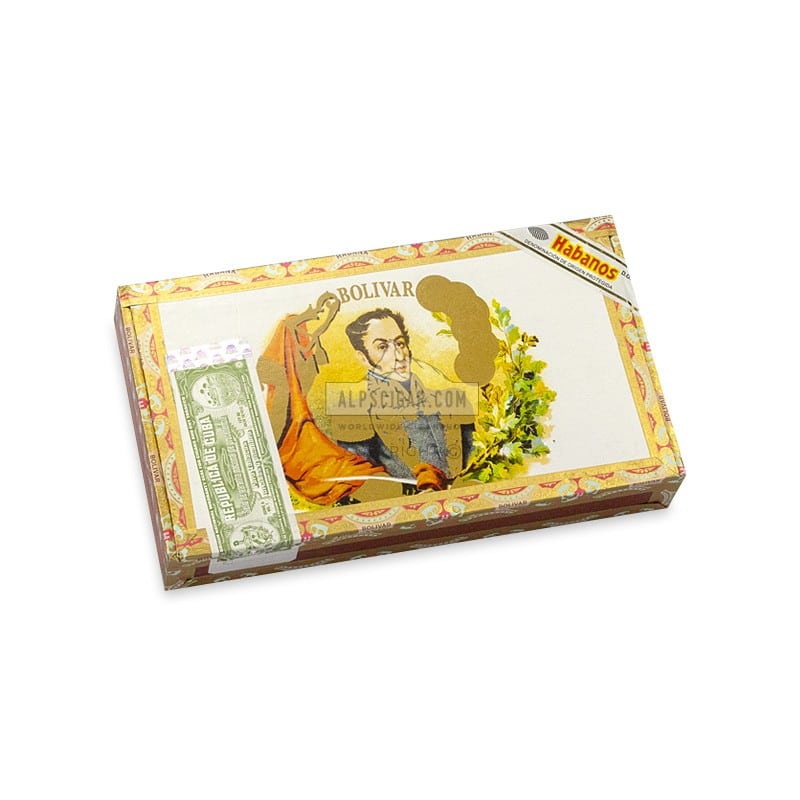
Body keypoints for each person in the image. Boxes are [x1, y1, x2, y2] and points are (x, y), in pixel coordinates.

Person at [333, 308, 474, 493]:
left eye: (400, 343)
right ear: (363, 358)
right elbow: (358, 481)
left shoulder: (446, 395)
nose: (399, 356)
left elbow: (475, 456)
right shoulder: (354, 410)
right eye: (382, 347)